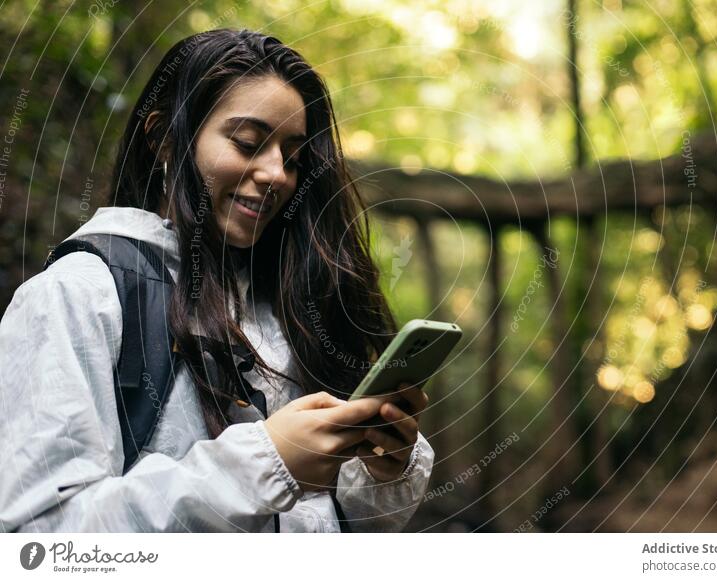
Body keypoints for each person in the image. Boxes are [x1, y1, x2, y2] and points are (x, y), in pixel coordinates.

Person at [0, 29, 434, 532]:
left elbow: (326, 521)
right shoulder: (78, 297)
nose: (277, 173)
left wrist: (378, 466)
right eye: (248, 143)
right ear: (163, 138)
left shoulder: (288, 304)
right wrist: (263, 465)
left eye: (292, 156)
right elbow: (39, 543)